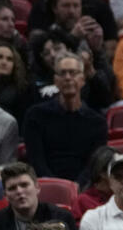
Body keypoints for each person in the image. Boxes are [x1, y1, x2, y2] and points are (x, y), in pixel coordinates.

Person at [23, 53, 108, 186]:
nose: (68, 77)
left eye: (73, 73)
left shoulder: (97, 122)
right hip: (45, 186)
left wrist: (78, 185)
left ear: (82, 79)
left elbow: (93, 165)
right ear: (55, 80)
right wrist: (57, 187)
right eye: (62, 73)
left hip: (84, 188)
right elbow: (36, 161)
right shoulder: (35, 116)